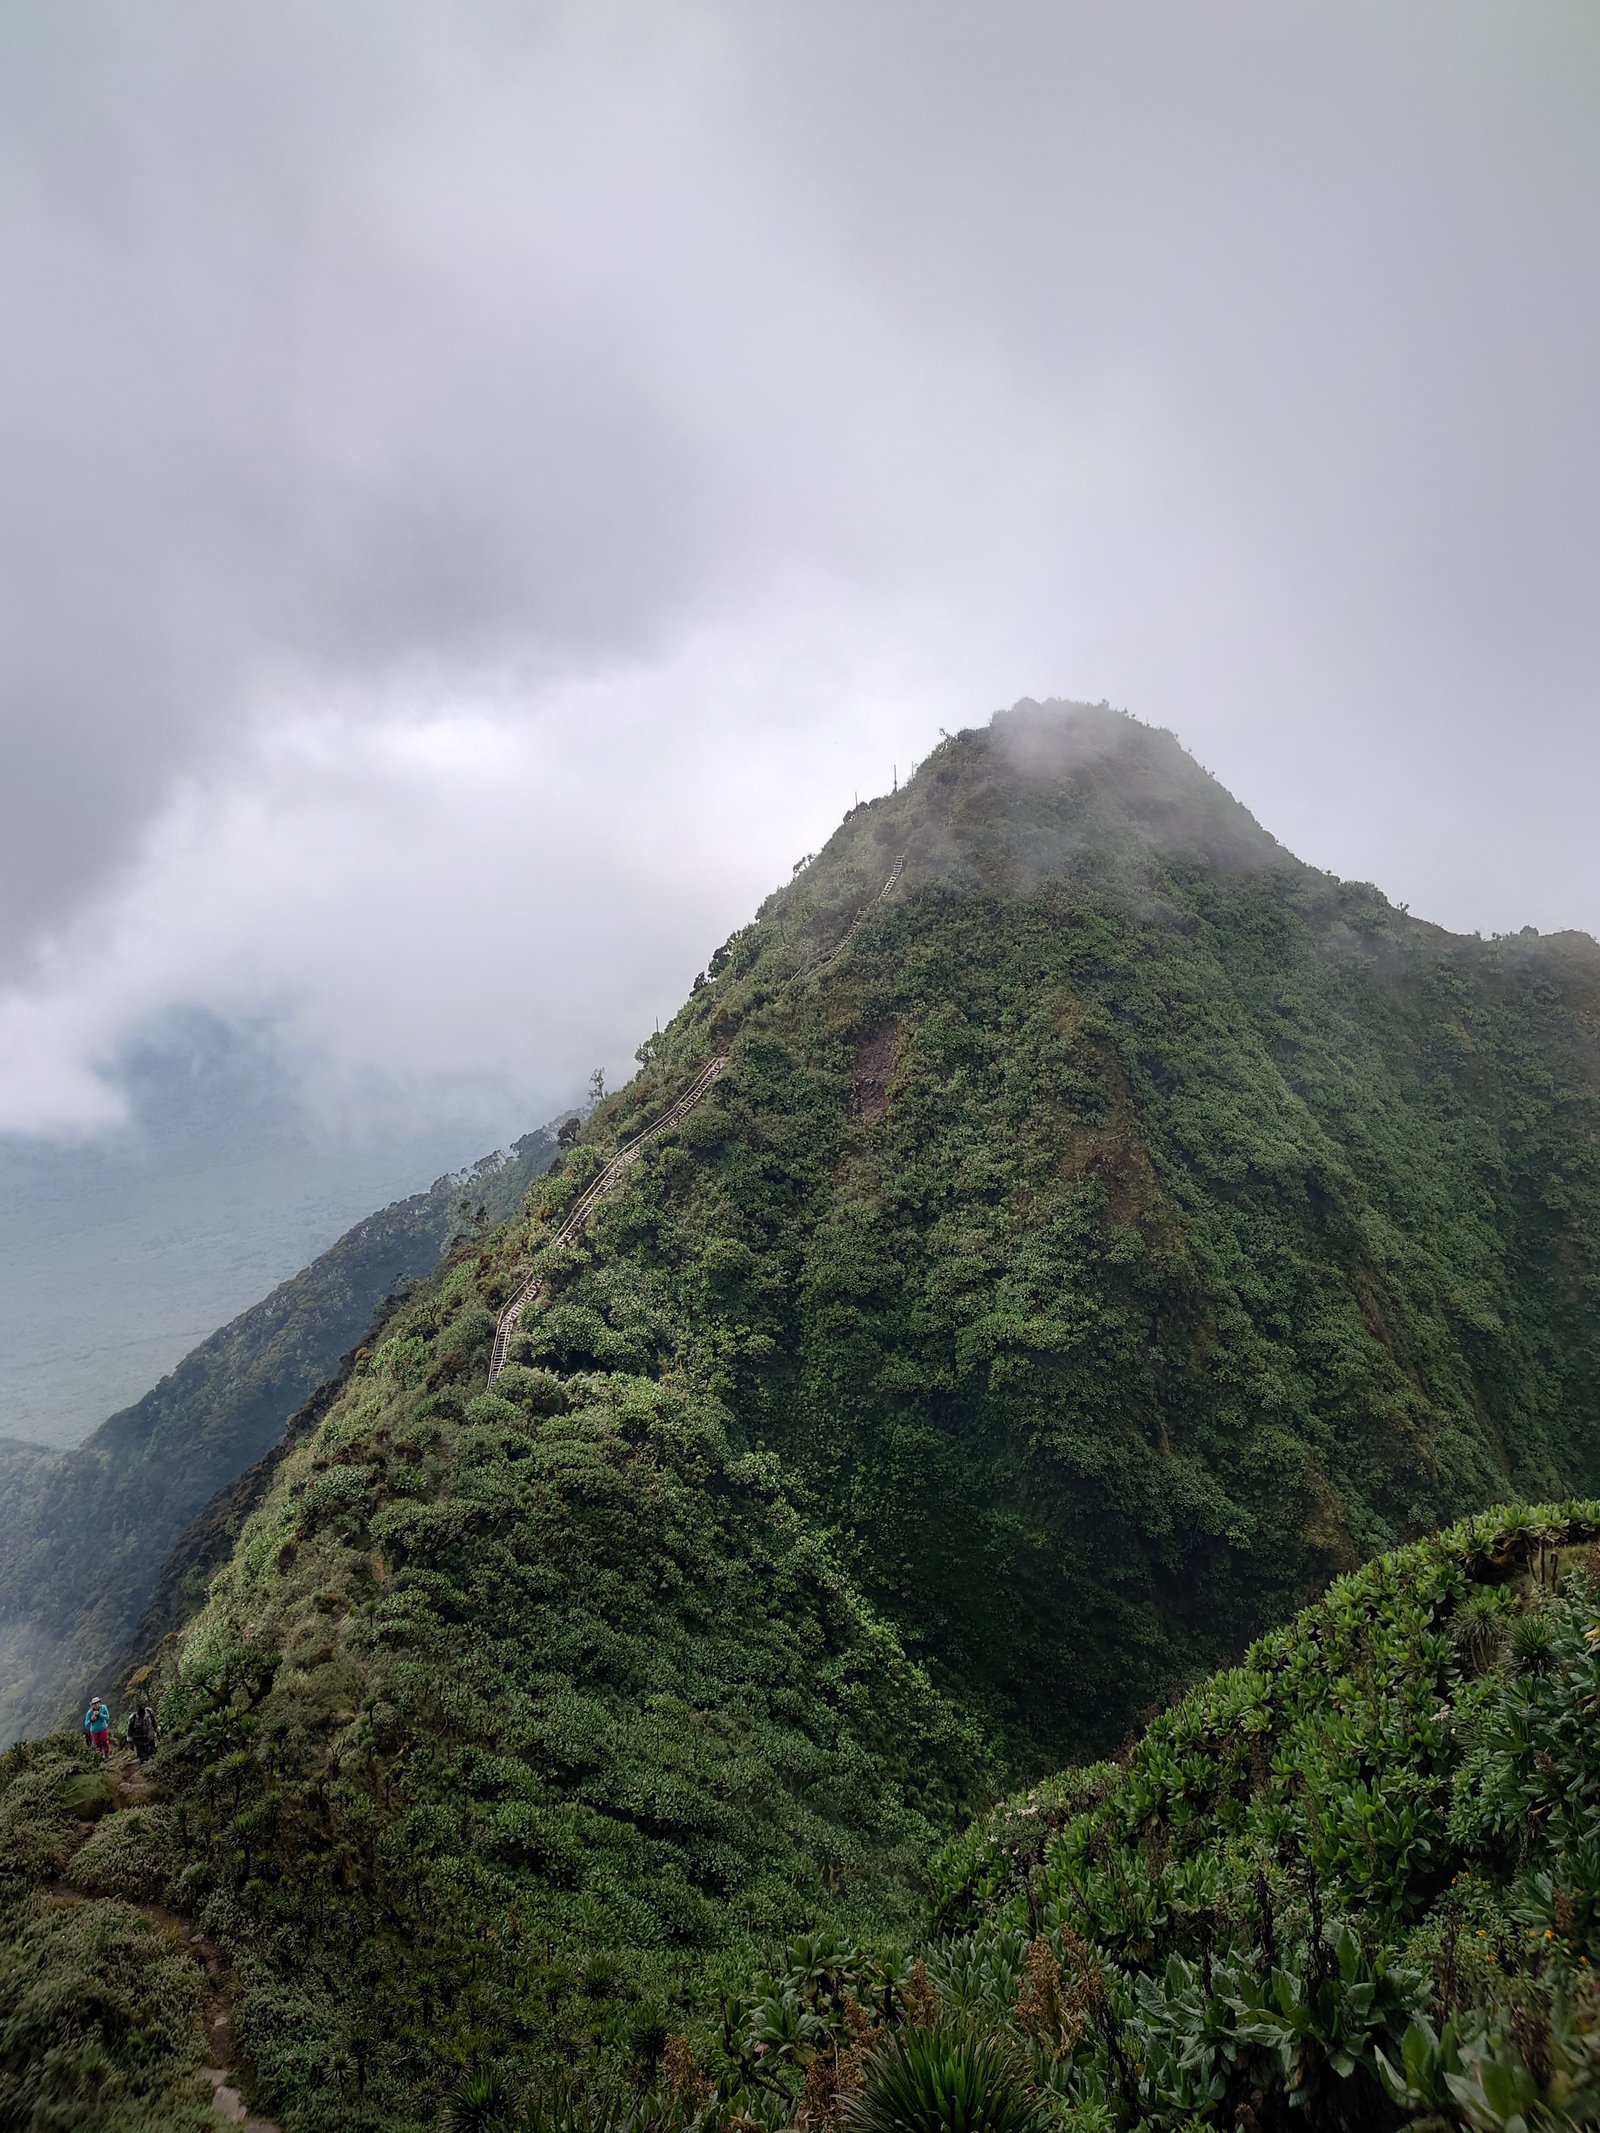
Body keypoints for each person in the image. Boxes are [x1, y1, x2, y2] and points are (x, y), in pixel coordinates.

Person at [82, 1695, 112, 1760]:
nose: (96, 1705)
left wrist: (99, 1714)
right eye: (94, 1704)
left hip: (103, 1728)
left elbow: (107, 1717)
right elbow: (86, 1724)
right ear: (92, 1705)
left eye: (97, 1703)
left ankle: (106, 1754)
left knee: (104, 1741)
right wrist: (91, 1720)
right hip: (94, 1731)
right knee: (97, 1744)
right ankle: (100, 1756)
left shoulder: (103, 1708)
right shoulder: (89, 1712)